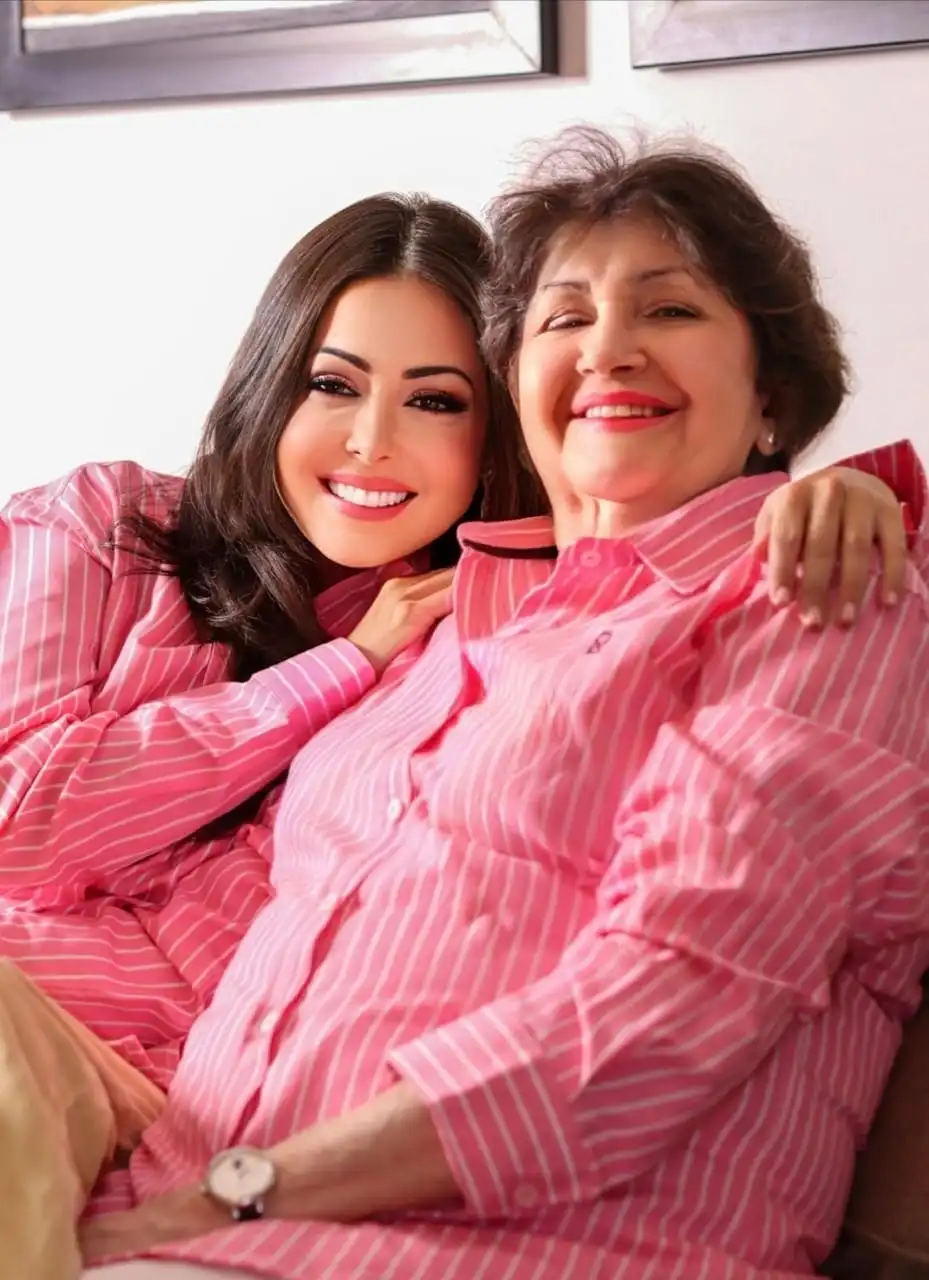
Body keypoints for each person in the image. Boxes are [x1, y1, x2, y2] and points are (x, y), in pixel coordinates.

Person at [75, 128, 929, 1280]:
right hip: (180, 1212)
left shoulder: (815, 587)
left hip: (502, 1251)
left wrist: (230, 1195)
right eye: (563, 318)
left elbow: (667, 1007)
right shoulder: (442, 625)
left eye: (668, 309)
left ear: (771, 394)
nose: (607, 348)